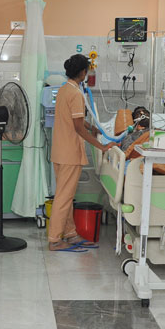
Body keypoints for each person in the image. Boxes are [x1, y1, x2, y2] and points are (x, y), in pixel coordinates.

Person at [48, 54, 116, 251]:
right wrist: (102, 146)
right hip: (69, 153)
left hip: (59, 151)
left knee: (66, 196)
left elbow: (75, 120)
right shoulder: (76, 94)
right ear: (83, 72)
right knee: (63, 198)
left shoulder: (63, 90)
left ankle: (70, 234)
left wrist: (92, 127)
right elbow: (78, 128)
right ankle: (54, 240)